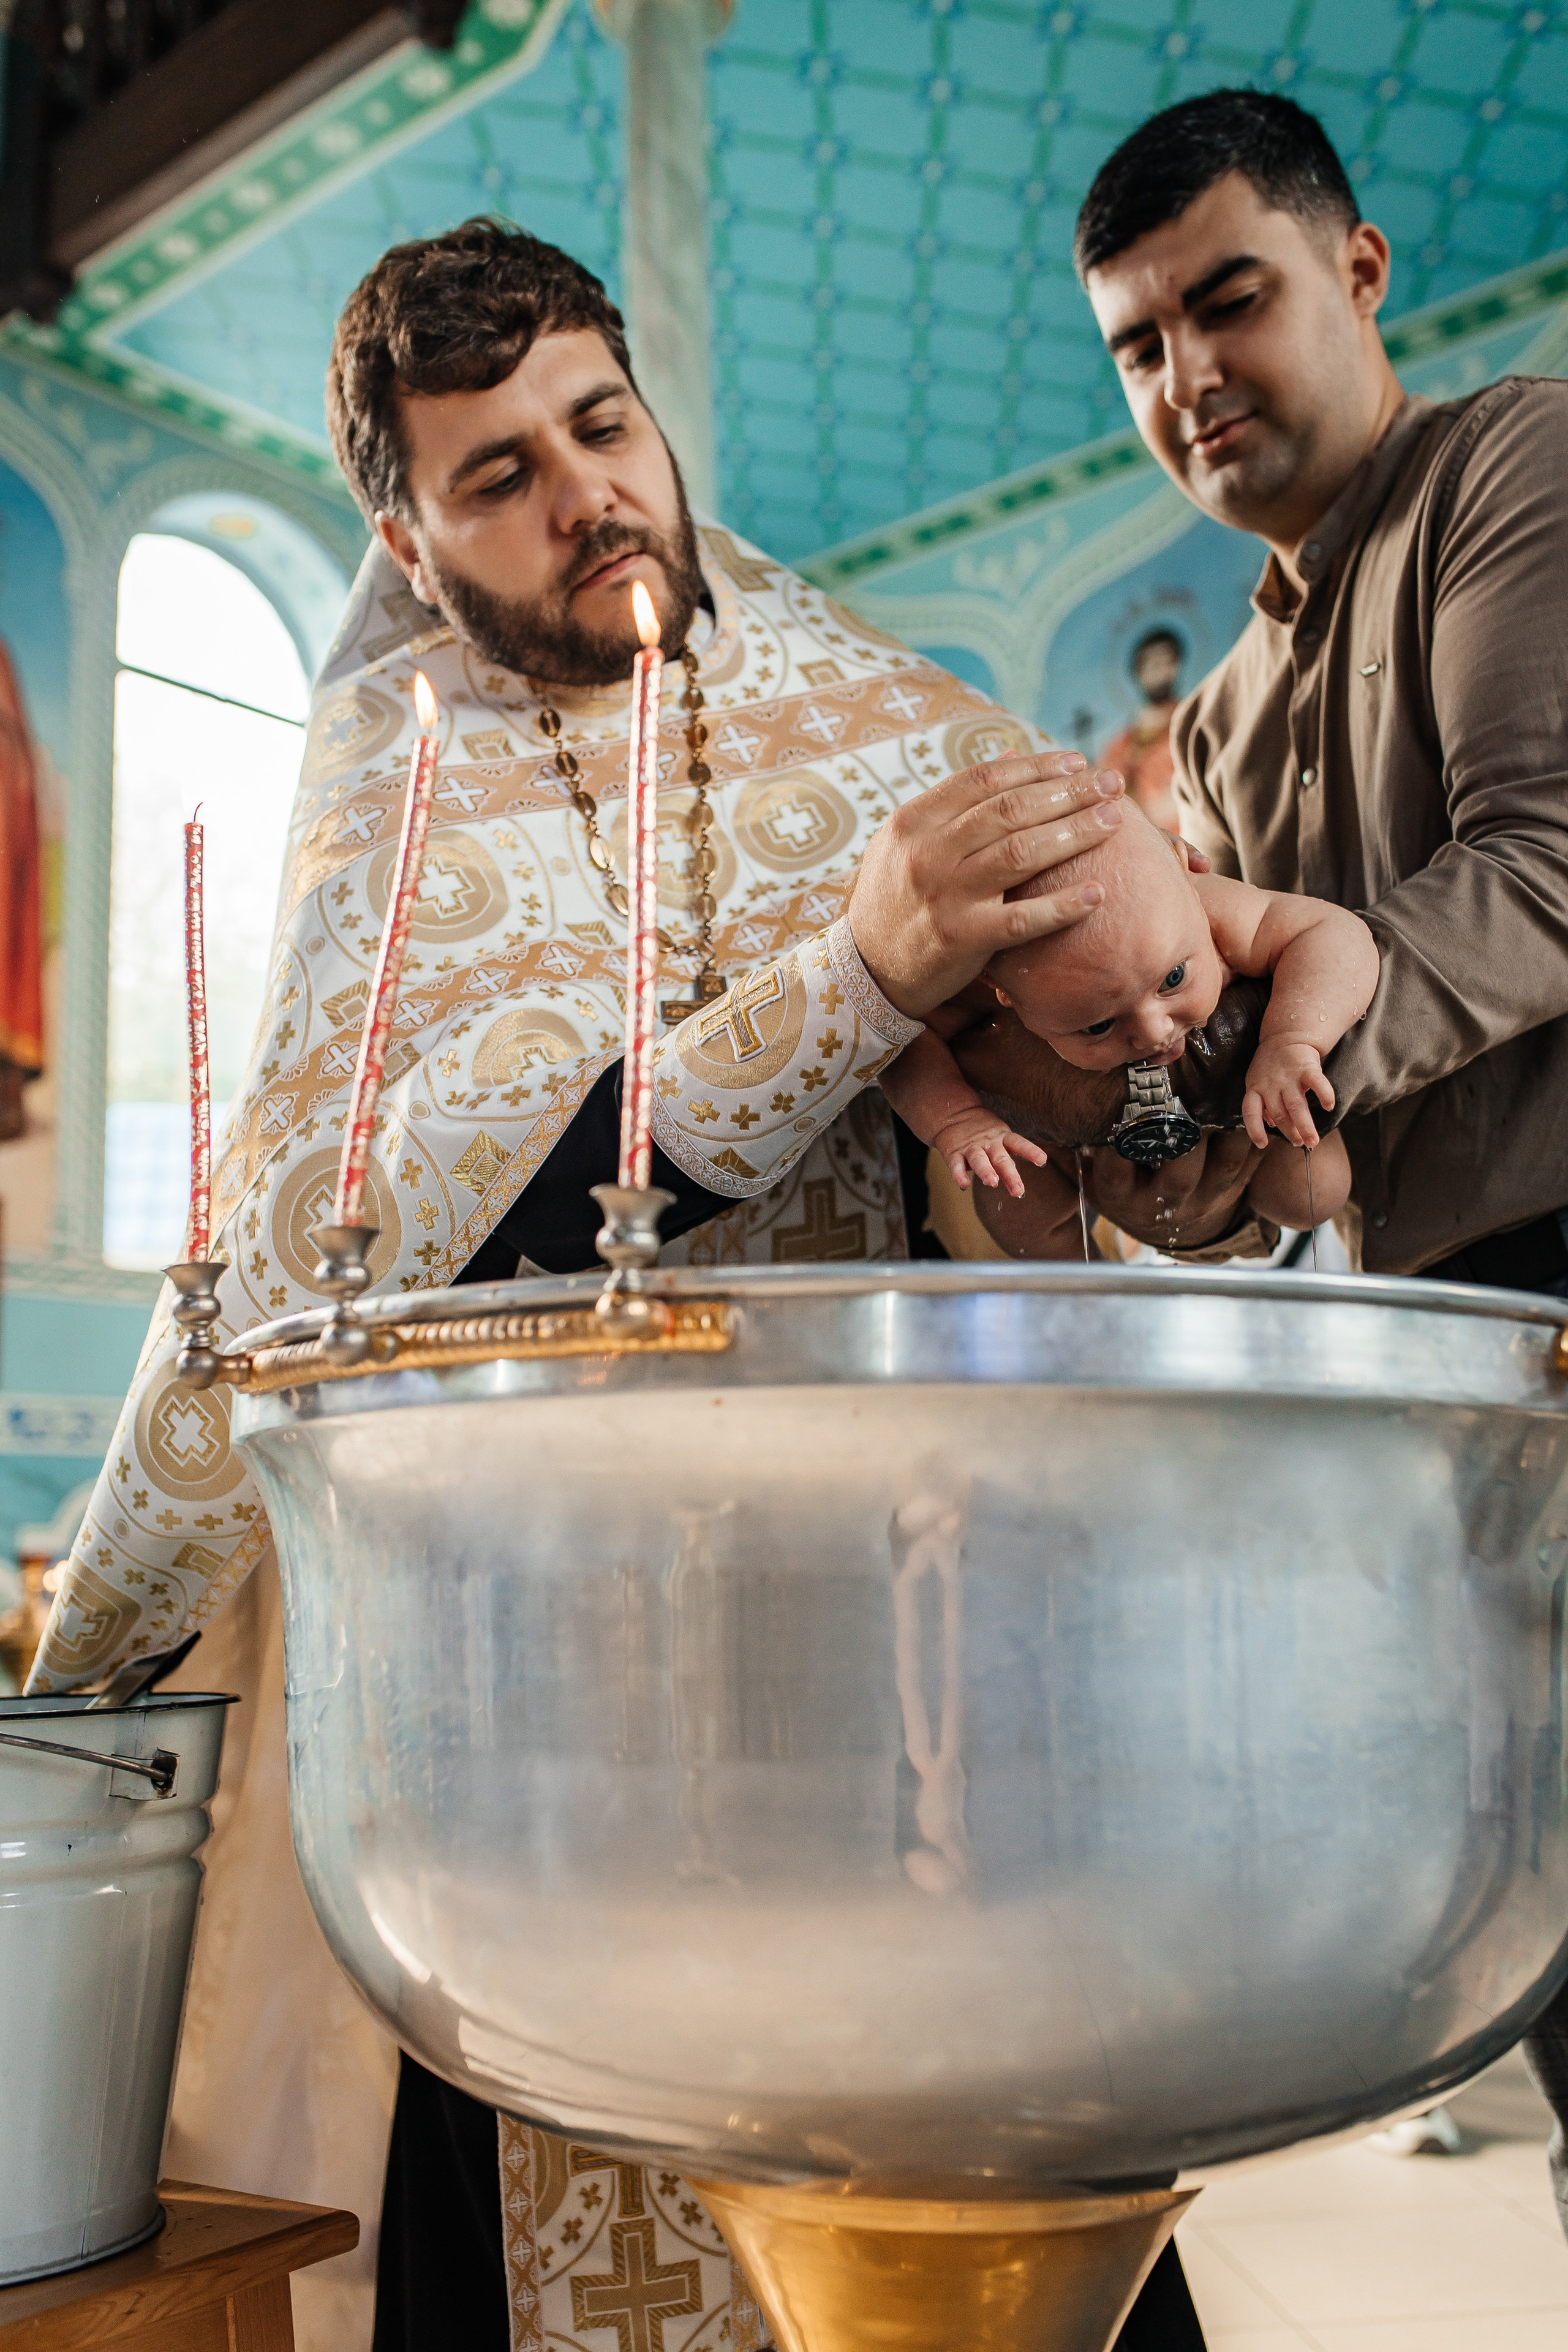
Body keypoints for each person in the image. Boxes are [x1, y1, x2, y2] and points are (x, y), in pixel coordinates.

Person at [27, 221, 1207, 2352]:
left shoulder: (888, 717)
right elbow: (358, 1248)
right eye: (495, 474)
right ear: (406, 528)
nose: (581, 490)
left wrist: (1057, 1171)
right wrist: (851, 975)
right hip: (549, 1713)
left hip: (904, 1657)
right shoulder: (394, 783)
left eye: (599, 422)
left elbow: (1103, 1121)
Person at [963, 85, 1568, 2232]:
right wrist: (1088, 1125)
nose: (1188, 375)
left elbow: (1550, 866)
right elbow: (1206, 1111)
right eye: (1138, 344)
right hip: (1444, 1371)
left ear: (1358, 272)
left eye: (1232, 301)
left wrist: (1307, 1017)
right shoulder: (1211, 723)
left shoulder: (1518, 461)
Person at [880, 800, 1375, 1233]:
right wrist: (959, 1120)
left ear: (1183, 871)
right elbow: (904, 1040)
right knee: (1016, 1205)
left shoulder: (1198, 904)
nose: (1156, 1031)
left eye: (1174, 978)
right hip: (1067, 1139)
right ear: (1001, 991)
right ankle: (1082, 1304)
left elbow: (1331, 931)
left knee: (1313, 1193)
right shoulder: (979, 975)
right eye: (1098, 1024)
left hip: (1240, 1091)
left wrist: (1293, 1039)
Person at [1099, 626, 1186, 832]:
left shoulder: (1193, 726)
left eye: (1165, 662)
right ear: (1138, 674)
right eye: (1150, 664)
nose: (1158, 671)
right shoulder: (1120, 746)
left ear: (1176, 666)